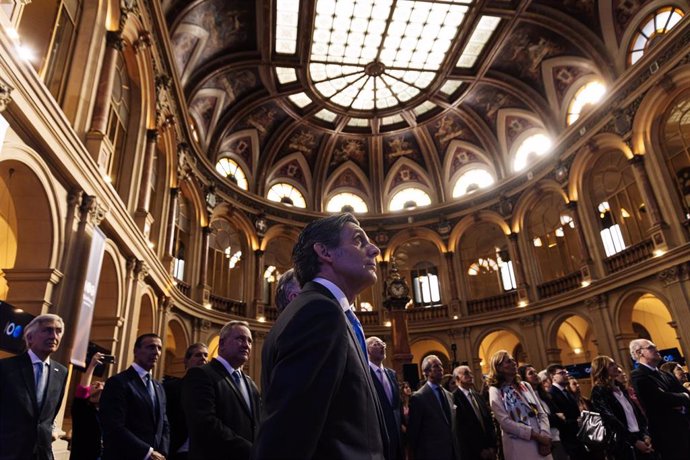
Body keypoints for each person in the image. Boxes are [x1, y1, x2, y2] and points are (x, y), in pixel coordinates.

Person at [256, 214, 387, 459]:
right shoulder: (319, 313)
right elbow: (286, 436)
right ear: (325, 252)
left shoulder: (326, 311)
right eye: (359, 240)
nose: (375, 249)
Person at [183, 321, 259, 460]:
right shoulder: (201, 375)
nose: (246, 345)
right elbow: (204, 423)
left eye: (249, 341)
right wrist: (250, 450)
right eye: (240, 339)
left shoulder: (251, 384)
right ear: (222, 344)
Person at [0, 314, 68, 460]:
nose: (54, 336)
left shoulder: (61, 372)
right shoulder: (6, 367)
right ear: (30, 337)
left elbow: (50, 414)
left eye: (58, 331)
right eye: (48, 330)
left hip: (42, 454)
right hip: (8, 452)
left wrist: (52, 431)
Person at [100, 333, 169, 460]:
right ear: (136, 351)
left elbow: (164, 424)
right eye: (151, 347)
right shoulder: (118, 382)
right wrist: (148, 452)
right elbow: (114, 425)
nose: (156, 352)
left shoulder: (159, 388)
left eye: (159, 348)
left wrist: (162, 453)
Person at [630, 338, 690, 460]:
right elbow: (658, 399)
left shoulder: (666, 374)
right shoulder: (638, 375)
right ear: (639, 352)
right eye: (651, 347)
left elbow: (684, 394)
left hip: (685, 428)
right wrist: (682, 397)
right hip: (667, 435)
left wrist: (680, 397)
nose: (656, 350)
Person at [488, 350, 552, 460]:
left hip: (541, 442)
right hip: (520, 444)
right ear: (498, 368)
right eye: (508, 361)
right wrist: (535, 436)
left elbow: (541, 413)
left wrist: (545, 435)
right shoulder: (495, 390)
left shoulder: (525, 385)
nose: (514, 363)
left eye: (513, 360)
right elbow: (505, 422)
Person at [589, 355, 654, 460]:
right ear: (601, 369)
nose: (615, 367)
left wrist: (645, 435)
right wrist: (635, 441)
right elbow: (610, 420)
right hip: (623, 443)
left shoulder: (621, 388)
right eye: (611, 365)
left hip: (639, 437)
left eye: (614, 363)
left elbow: (637, 414)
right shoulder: (598, 392)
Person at [407, 355, 460, 460]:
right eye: (435, 366)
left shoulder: (450, 395)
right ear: (425, 372)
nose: (440, 368)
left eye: (441, 365)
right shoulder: (419, 397)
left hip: (453, 453)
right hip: (431, 454)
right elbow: (413, 433)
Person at [164, 342, 208, 460]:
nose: (203, 358)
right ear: (186, 361)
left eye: (205, 355)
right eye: (198, 355)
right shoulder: (170, 388)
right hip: (179, 451)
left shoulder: (214, 389)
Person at [519, 364, 567, 460]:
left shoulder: (546, 395)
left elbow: (562, 418)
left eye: (535, 372)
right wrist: (554, 417)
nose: (535, 374)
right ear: (523, 379)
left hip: (556, 438)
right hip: (541, 442)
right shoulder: (525, 398)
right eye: (531, 373)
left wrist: (553, 418)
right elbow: (537, 419)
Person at [367, 336, 403, 460]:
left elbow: (397, 404)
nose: (382, 346)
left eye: (383, 343)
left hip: (397, 436)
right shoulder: (365, 374)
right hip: (378, 436)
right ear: (367, 350)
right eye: (376, 344)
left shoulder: (391, 374)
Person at [453, 365, 496, 460]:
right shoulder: (454, 398)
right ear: (457, 378)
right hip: (471, 453)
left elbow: (488, 422)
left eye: (471, 373)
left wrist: (492, 446)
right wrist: (479, 450)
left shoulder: (478, 397)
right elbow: (462, 428)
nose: (471, 376)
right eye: (466, 373)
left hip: (489, 450)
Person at [70, 352, 106, 460]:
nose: (98, 385)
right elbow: (82, 390)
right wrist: (92, 365)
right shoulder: (81, 409)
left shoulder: (106, 413)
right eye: (94, 385)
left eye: (102, 385)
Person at [547, 364, 585, 459]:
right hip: (566, 441)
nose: (566, 375)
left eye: (566, 372)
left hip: (578, 438)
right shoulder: (551, 394)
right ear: (553, 377)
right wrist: (576, 422)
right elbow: (558, 419)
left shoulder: (567, 392)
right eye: (562, 373)